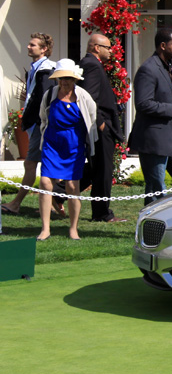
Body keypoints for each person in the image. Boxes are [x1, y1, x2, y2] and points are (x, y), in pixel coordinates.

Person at [128, 28, 172, 205]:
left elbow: (171, 97)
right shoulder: (148, 69)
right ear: (163, 45)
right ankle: (151, 228)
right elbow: (143, 103)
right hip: (154, 138)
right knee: (156, 187)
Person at [37, 60, 98, 241]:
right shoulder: (50, 95)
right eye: (62, 78)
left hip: (74, 144)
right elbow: (43, 117)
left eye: (69, 78)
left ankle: (73, 229)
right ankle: (45, 229)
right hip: (52, 143)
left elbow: (92, 117)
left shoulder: (83, 96)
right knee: (45, 183)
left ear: (75, 79)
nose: (65, 82)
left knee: (72, 186)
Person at [2, 33, 58, 217]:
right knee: (42, 165)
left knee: (32, 163)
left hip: (41, 124)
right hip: (37, 124)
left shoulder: (46, 70)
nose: (28, 47)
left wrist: (31, 120)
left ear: (43, 49)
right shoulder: (38, 68)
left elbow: (42, 99)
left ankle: (17, 203)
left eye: (32, 44)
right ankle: (54, 204)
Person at [78, 33, 126, 223]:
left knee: (95, 169)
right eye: (107, 47)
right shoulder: (91, 65)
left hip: (101, 125)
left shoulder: (91, 64)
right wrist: (100, 122)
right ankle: (101, 212)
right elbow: (89, 96)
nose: (111, 50)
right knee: (103, 170)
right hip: (100, 126)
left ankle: (58, 195)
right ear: (96, 48)